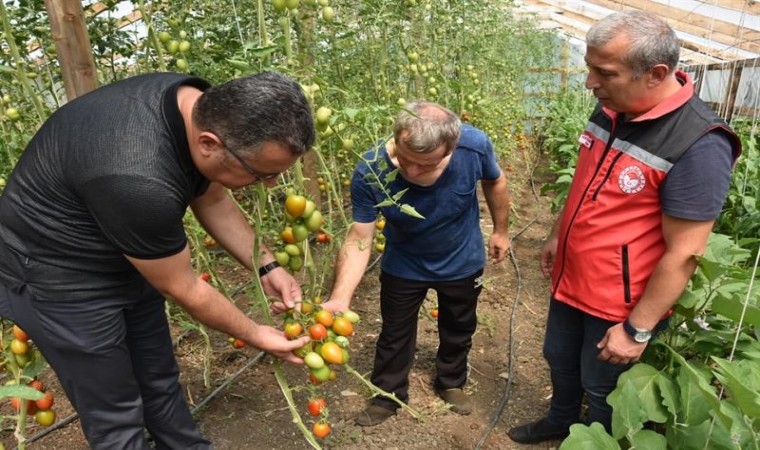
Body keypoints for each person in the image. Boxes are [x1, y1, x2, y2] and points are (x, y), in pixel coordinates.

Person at [0, 71, 315, 449]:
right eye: (261, 174)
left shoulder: (195, 101)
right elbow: (182, 286)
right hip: (57, 279)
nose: (270, 185)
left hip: (129, 253)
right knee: (114, 409)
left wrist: (267, 265)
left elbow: (212, 198)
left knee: (158, 377)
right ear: (209, 143)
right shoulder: (138, 177)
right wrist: (256, 334)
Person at [508, 10, 741, 444]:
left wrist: (637, 329)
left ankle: (601, 441)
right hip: (573, 277)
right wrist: (560, 233)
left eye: (604, 72)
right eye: (589, 69)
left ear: (655, 73)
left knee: (604, 389)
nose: (590, 83)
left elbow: (685, 251)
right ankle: (561, 422)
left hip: (620, 300)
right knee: (559, 358)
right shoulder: (613, 107)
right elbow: (586, 178)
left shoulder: (699, 143)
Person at [325, 102, 511, 426]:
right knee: (395, 332)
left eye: (424, 165)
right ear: (397, 138)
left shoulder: (474, 146)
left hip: (461, 259)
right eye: (404, 159)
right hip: (404, 263)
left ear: (452, 148)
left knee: (458, 325)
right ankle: (388, 395)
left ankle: (451, 382)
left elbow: (495, 181)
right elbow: (360, 236)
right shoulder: (371, 170)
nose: (410, 172)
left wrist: (501, 230)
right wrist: (341, 296)